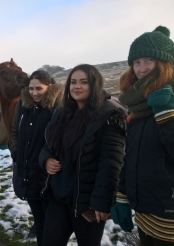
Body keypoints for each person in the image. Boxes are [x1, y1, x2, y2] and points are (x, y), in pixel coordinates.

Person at [114, 26, 174, 245]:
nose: (142, 68)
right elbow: (133, 155)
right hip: (145, 213)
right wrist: (121, 194)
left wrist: (166, 115)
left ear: (167, 62)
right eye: (136, 62)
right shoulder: (140, 104)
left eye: (149, 60)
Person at [39, 64, 126, 246]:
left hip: (87, 202)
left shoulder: (108, 115)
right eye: (73, 82)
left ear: (94, 85)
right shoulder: (62, 113)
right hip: (59, 196)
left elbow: (111, 163)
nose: (77, 86)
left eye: (84, 82)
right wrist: (45, 159)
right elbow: (49, 144)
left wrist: (101, 202)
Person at [11, 70, 62, 245]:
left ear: (50, 86)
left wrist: (48, 159)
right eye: (31, 89)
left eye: (39, 88)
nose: (34, 93)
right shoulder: (23, 104)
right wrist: (16, 153)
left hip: (47, 175)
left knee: (51, 224)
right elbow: (15, 131)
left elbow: (60, 138)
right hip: (27, 171)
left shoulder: (58, 106)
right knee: (39, 220)